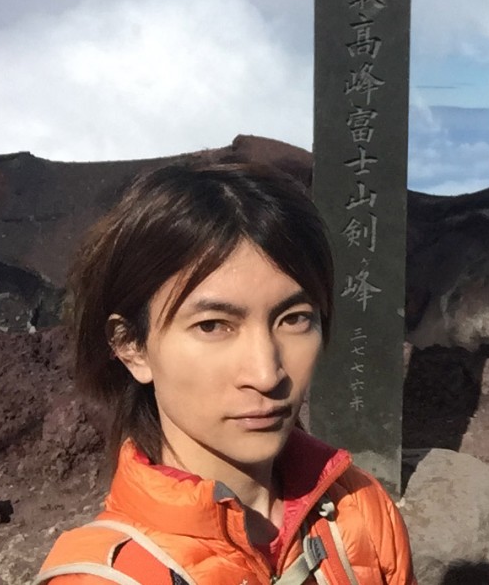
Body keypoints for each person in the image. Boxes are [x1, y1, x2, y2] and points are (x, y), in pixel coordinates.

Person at [34, 160, 416, 585]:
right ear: (131, 347)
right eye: (213, 325)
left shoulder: (360, 511)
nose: (266, 374)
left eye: (294, 318)